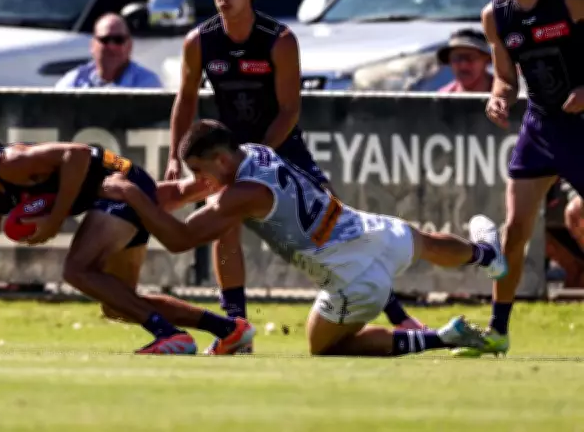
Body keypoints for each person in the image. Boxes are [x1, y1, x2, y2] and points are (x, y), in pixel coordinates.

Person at [165, 0, 423, 354]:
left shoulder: (279, 39)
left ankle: (398, 315)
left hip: (280, 145)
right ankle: (236, 328)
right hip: (228, 153)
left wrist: (260, 157)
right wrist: (173, 157)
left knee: (334, 222)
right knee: (223, 228)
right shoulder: (199, 41)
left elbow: (289, 110)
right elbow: (185, 100)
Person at [104, 120, 509, 357]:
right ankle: (485, 254)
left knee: (324, 346)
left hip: (352, 276)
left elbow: (180, 239)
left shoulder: (240, 194)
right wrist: (136, 191)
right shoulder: (252, 152)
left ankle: (443, 337)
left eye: (199, 169)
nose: (198, 179)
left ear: (221, 160)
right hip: (371, 231)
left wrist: (132, 198)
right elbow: (184, 192)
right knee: (428, 243)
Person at [0, 109, 254, 355]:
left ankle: (170, 336)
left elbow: (77, 154)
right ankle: (229, 329)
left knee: (77, 269)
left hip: (122, 186)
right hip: (112, 198)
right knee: (119, 303)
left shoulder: (12, 161)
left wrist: (54, 220)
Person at [452, 0, 584, 357]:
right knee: (514, 233)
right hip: (541, 128)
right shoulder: (496, 16)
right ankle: (498, 331)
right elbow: (506, 77)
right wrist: (499, 98)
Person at [55, 13, 163, 89]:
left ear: (129, 45)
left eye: (118, 40)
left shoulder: (147, 84)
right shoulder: (74, 82)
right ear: (92, 45)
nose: (111, 46)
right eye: (105, 40)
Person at [436, 29, 493, 93]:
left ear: (486, 60)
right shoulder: (444, 95)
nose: (463, 64)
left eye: (471, 57)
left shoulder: (501, 93)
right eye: (456, 58)